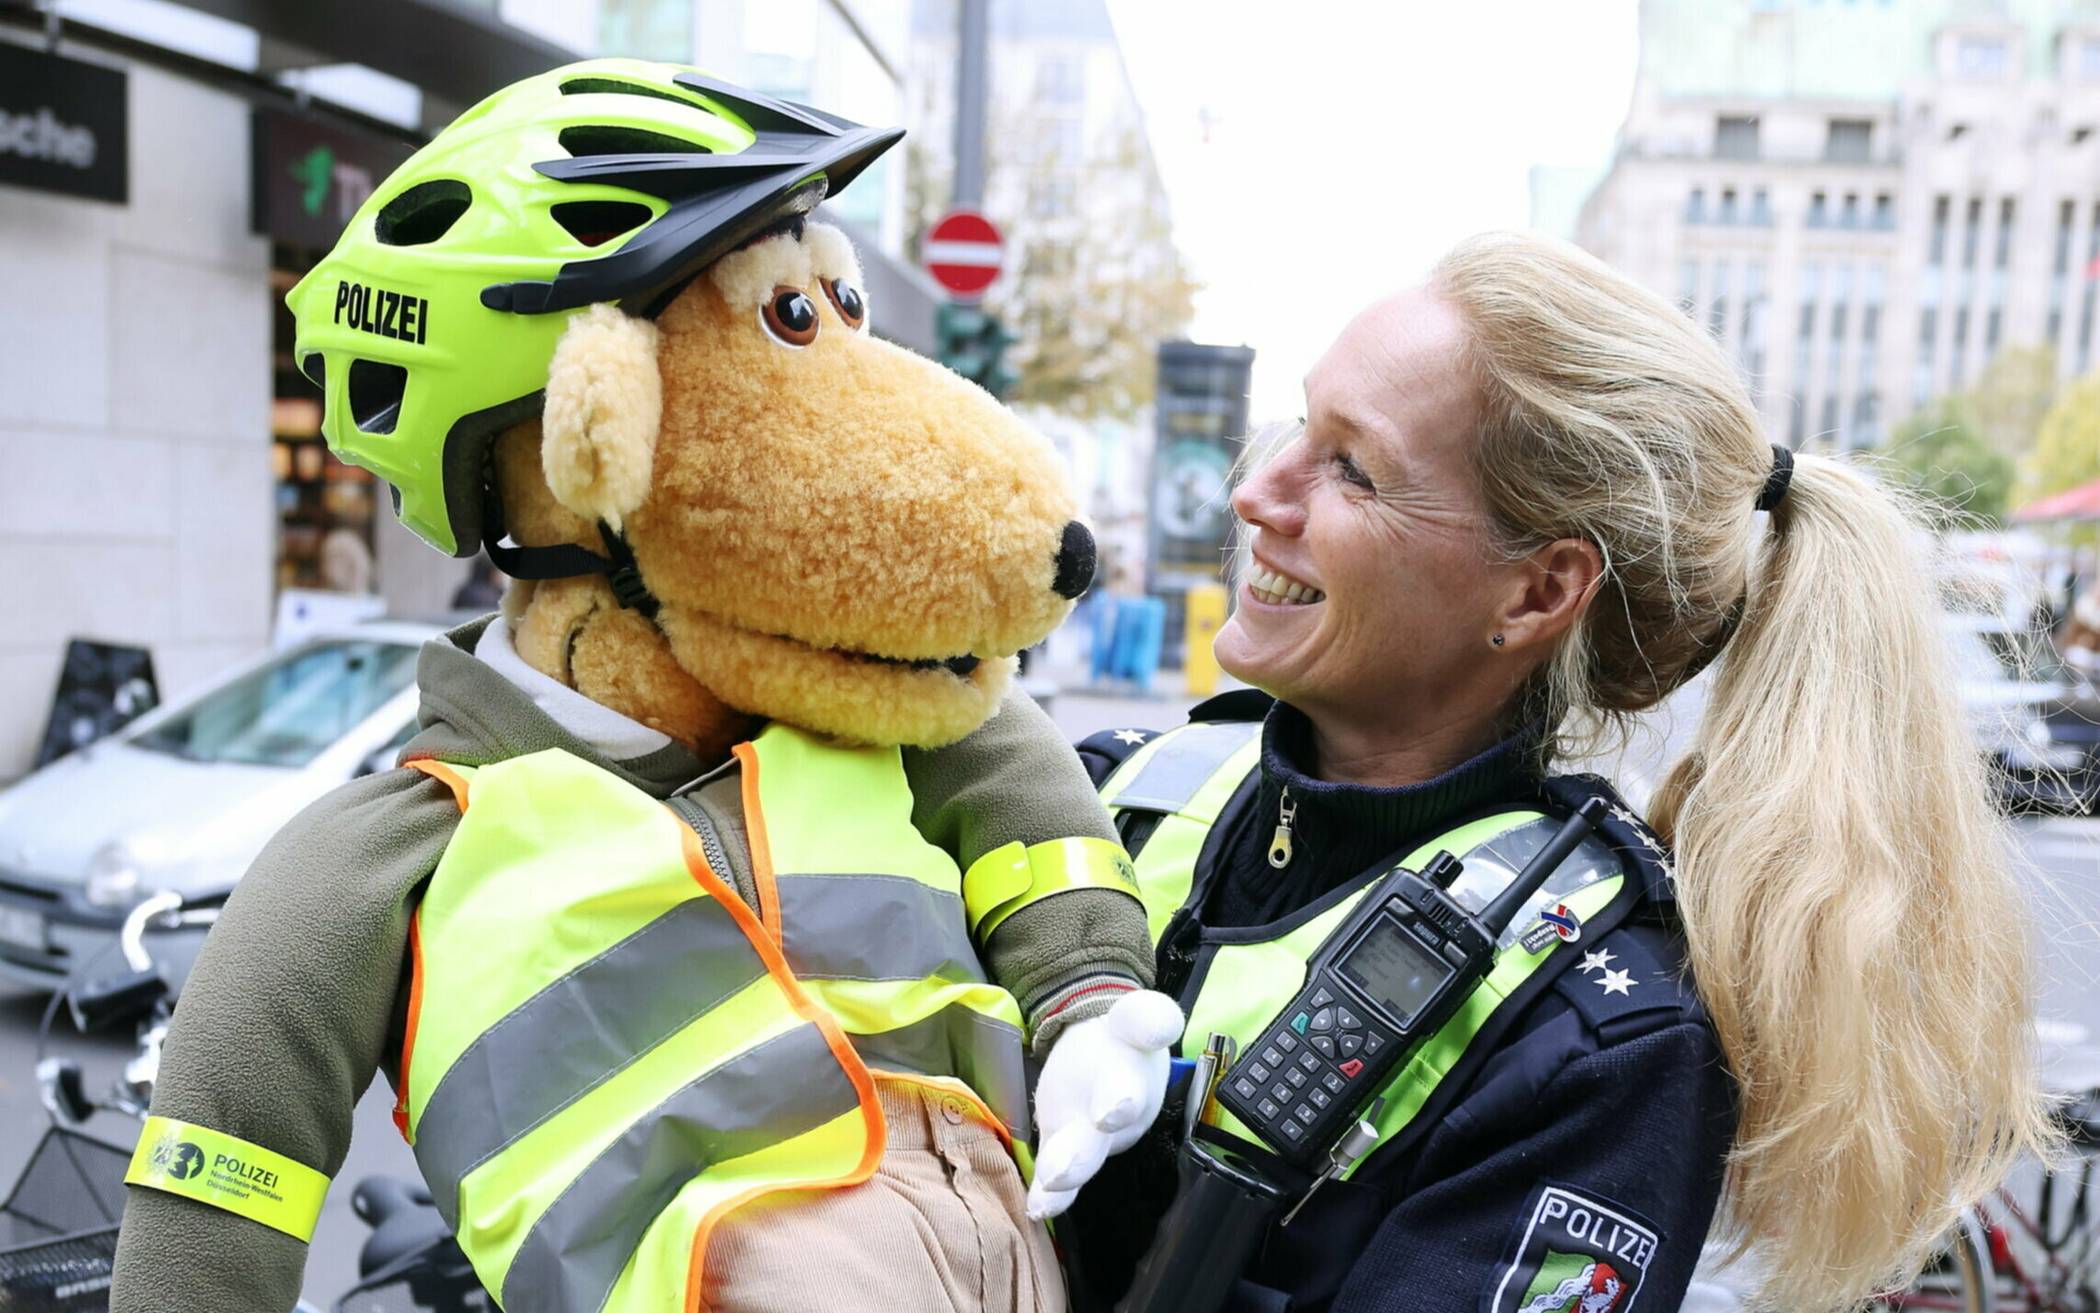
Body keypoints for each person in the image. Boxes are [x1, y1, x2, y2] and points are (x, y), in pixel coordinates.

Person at [1058, 231, 2054, 1313]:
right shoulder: (1106, 788)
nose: (1262, 493)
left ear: (1537, 594)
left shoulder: (1602, 1042)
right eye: (1302, 422)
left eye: (1353, 468)